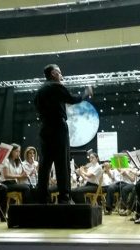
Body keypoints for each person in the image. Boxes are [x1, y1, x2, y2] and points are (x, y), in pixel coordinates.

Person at [34, 63, 93, 204]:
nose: (62, 76)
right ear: (54, 73)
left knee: (45, 163)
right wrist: (86, 93)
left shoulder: (39, 91)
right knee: (62, 162)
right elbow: (72, 99)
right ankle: (64, 197)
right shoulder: (56, 86)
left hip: (44, 127)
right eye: (60, 73)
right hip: (58, 127)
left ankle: (42, 197)